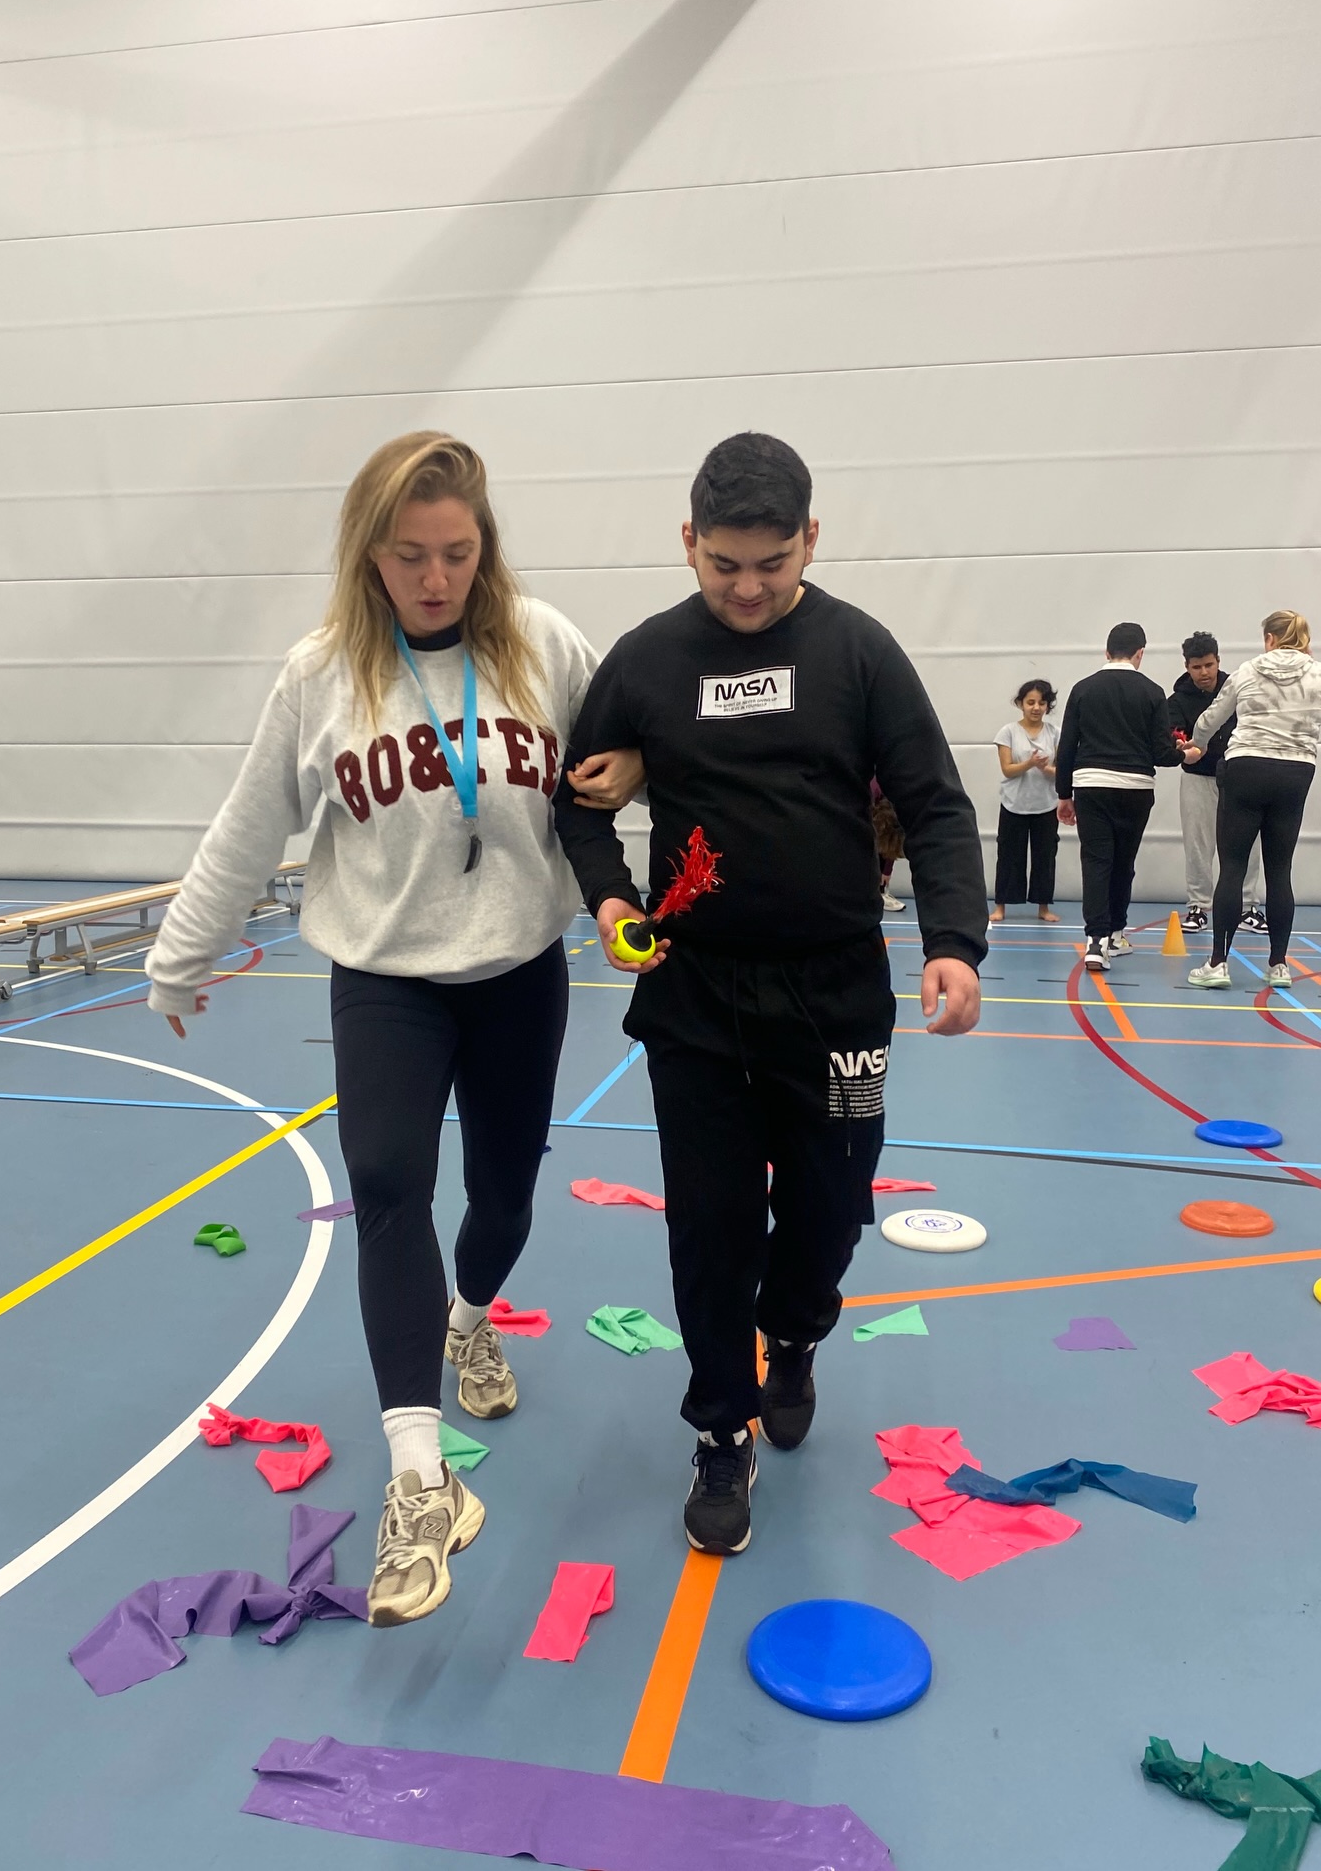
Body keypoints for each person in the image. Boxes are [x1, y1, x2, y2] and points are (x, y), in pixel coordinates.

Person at [143, 432, 643, 1626]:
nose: (436, 576)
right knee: (383, 1180)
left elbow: (634, 765)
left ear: (486, 548)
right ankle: (419, 1479)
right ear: (371, 553)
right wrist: (179, 953)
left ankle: (471, 1318)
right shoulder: (321, 674)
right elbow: (249, 819)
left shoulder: (545, 647)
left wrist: (637, 785)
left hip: (519, 965)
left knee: (506, 1191)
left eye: (458, 552)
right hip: (384, 974)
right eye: (412, 554)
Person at [553, 431, 987, 1558]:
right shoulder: (647, 659)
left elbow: (936, 803)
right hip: (696, 998)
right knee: (709, 1227)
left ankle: (792, 1333)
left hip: (839, 996)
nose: (748, 589)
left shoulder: (859, 652)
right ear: (688, 543)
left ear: (812, 542)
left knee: (832, 1208)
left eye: (774, 563)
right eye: (725, 564)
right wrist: (607, 900)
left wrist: (956, 941)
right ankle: (717, 1428)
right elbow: (581, 800)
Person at [1183, 610, 1321, 990]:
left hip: (1246, 769)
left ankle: (1218, 964)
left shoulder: (1248, 670)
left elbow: (1210, 718)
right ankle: (1279, 965)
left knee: (1232, 867)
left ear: (1270, 640)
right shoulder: (1317, 674)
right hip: (1296, 772)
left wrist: (1197, 744)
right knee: (1280, 870)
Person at [1055, 622, 1180, 972]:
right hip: (1136, 789)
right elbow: (1161, 753)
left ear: (1106, 652)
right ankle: (1117, 933)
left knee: (1096, 862)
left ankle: (1095, 942)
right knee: (1124, 861)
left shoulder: (1082, 689)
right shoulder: (1154, 692)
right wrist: (1185, 754)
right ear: (1140, 653)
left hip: (1091, 785)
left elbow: (1067, 747)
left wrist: (1064, 794)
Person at [1167, 632, 1263, 934]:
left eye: (1209, 665)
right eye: (1197, 667)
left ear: (1218, 661)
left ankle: (1247, 906)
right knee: (1198, 844)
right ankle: (1198, 906)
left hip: (1238, 778)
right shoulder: (1176, 701)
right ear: (1187, 666)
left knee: (1248, 842)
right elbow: (1174, 736)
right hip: (1197, 780)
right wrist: (1184, 750)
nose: (1204, 672)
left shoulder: (1238, 690)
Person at [991, 680, 1060, 923]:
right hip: (1014, 804)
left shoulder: (1054, 733)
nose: (1036, 707)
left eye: (1042, 703)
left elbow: (1062, 771)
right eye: (1031, 702)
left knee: (1045, 856)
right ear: (1021, 704)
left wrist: (1046, 769)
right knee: (1009, 855)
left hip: (1046, 805)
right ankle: (1001, 907)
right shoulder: (1008, 732)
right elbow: (1007, 769)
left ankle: (1043, 908)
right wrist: (1030, 764)